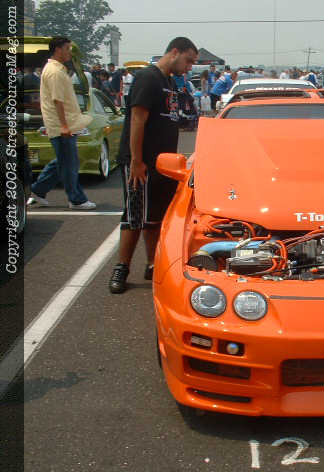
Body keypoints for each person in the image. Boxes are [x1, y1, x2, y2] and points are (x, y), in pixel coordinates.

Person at [109, 37, 198, 294]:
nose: (189, 67)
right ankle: (122, 268)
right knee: (135, 216)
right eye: (188, 61)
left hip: (163, 163)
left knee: (156, 217)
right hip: (142, 163)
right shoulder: (148, 78)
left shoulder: (169, 82)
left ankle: (152, 264)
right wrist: (136, 161)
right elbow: (137, 120)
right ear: (174, 52)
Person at [27, 37, 95, 210]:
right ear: (58, 49)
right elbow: (58, 101)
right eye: (67, 48)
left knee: (64, 161)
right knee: (69, 164)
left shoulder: (56, 69)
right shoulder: (55, 72)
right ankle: (76, 199)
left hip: (63, 123)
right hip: (61, 125)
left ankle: (38, 190)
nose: (69, 52)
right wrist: (64, 126)